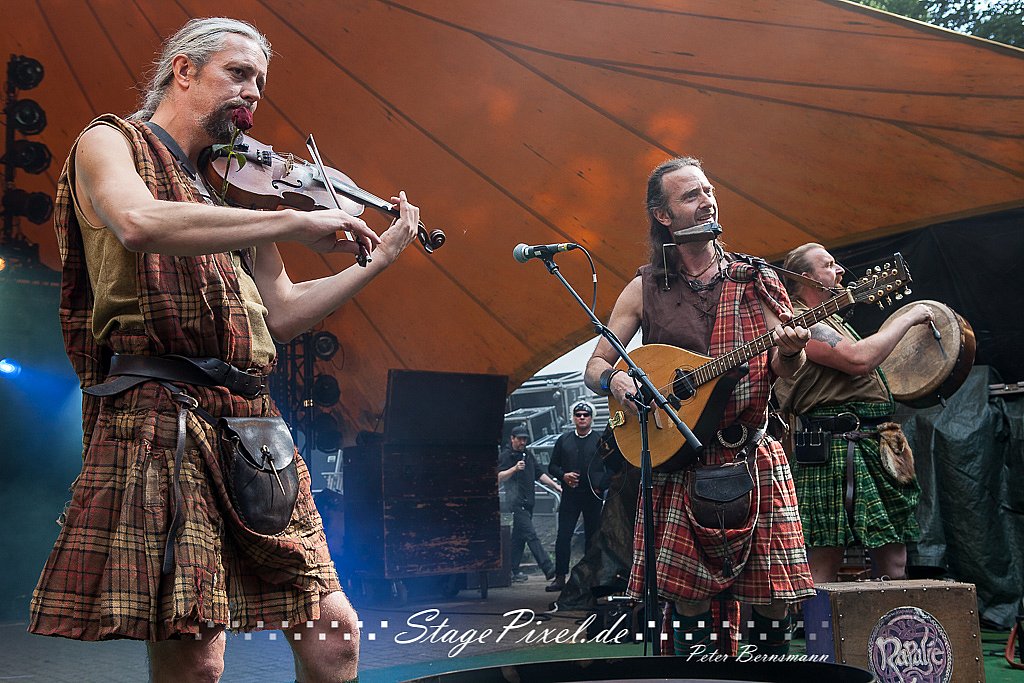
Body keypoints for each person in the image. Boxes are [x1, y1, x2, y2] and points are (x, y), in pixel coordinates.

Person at [29, 17, 419, 682]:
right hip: (163, 415)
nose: (253, 93)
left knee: (335, 640)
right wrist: (291, 220)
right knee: (198, 661)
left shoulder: (230, 190)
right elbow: (138, 221)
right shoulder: (109, 141)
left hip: (252, 425)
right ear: (183, 70)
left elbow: (282, 312)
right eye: (238, 73)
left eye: (260, 82)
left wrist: (376, 261)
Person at [584, 156, 815, 656]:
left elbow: (786, 370)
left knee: (773, 599)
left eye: (708, 190)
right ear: (663, 215)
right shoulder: (644, 287)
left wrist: (793, 351)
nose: (706, 201)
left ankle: (769, 674)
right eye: (690, 195)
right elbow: (595, 366)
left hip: (751, 453)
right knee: (688, 600)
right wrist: (617, 383)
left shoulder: (755, 279)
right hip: (678, 459)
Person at [773, 243, 931, 584]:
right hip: (831, 446)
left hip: (873, 441)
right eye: (829, 265)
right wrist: (908, 317)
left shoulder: (833, 320)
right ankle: (820, 623)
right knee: (824, 556)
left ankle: (892, 621)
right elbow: (858, 359)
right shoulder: (799, 322)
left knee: (894, 558)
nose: (840, 270)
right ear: (806, 278)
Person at [545, 400, 607, 592]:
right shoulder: (563, 440)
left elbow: (612, 466)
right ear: (573, 418)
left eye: (585, 415)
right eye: (578, 415)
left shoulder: (600, 440)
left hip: (592, 496)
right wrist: (563, 475)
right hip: (570, 496)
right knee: (563, 536)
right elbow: (552, 466)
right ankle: (560, 577)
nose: (581, 418)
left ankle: (590, 577)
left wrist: (601, 485)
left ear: (591, 418)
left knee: (592, 537)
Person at [498, 425, 560, 583]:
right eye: (519, 439)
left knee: (518, 538)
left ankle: (512, 570)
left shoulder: (528, 455)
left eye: (524, 439)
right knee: (531, 535)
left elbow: (539, 474)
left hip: (528, 503)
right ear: (512, 439)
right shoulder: (506, 456)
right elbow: (499, 476)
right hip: (517, 504)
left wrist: (556, 487)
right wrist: (514, 469)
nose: (522, 442)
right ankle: (548, 567)